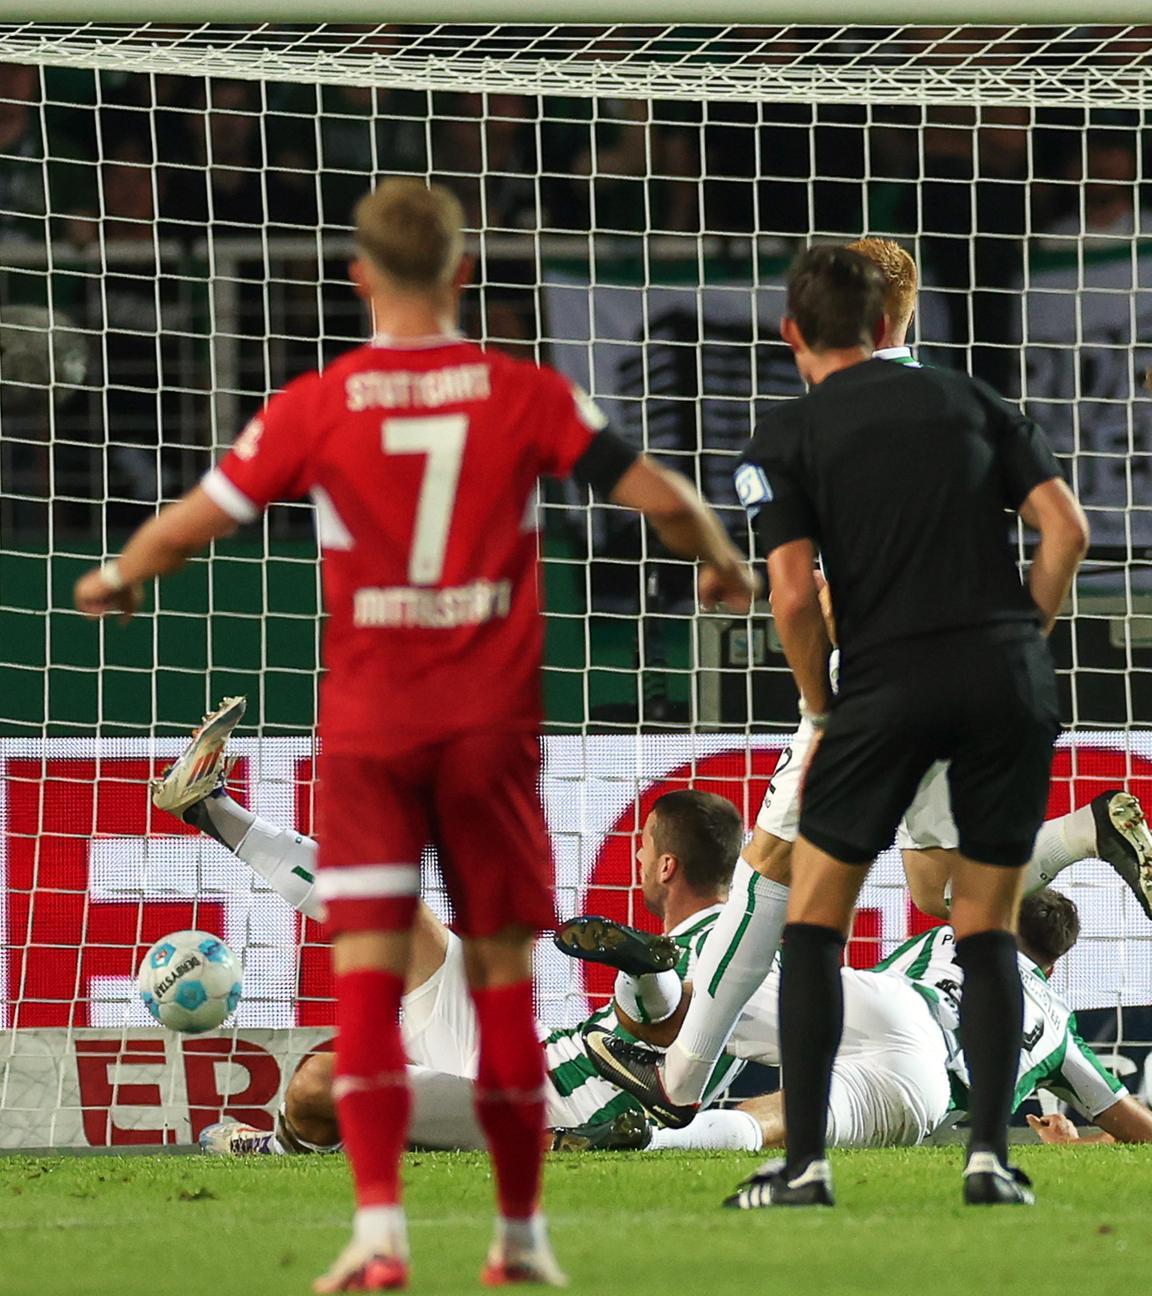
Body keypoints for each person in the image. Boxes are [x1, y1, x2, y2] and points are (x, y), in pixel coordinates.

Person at [73, 178, 755, 1292]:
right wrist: (718, 562)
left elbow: (206, 511)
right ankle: (522, 1238)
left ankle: (379, 1232)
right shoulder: (523, 392)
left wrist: (119, 572)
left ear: (357, 280)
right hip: (488, 721)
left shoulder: (320, 401)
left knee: (368, 959)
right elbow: (658, 496)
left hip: (375, 719)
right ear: (465, 275)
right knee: (497, 974)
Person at [591, 244, 1090, 1207]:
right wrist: (1020, 640)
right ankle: (990, 1162)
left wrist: (820, 702)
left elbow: (791, 596)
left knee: (801, 904)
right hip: (1002, 684)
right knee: (972, 918)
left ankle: (747, 1128)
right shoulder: (976, 401)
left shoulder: (791, 436)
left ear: (792, 336)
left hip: (881, 685)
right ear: (898, 324)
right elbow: (1065, 529)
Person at [561, 891, 1152, 1173]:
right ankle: (648, 1142)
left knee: (699, 1011)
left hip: (892, 1000)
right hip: (926, 1077)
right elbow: (1139, 1131)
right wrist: (1079, 1145)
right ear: (1052, 967)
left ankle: (653, 977)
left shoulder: (947, 940)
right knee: (785, 1122)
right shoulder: (1059, 1029)